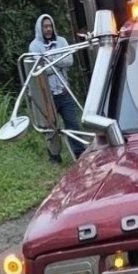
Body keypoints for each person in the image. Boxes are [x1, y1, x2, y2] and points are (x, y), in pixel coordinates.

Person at [30, 14, 87, 163]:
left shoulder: (61, 41)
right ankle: (54, 157)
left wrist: (49, 60)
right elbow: (41, 69)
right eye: (45, 26)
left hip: (63, 90)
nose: (48, 29)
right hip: (47, 95)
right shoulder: (34, 46)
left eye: (50, 26)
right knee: (51, 128)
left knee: (72, 123)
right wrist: (57, 60)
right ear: (40, 28)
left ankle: (79, 152)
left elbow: (69, 60)